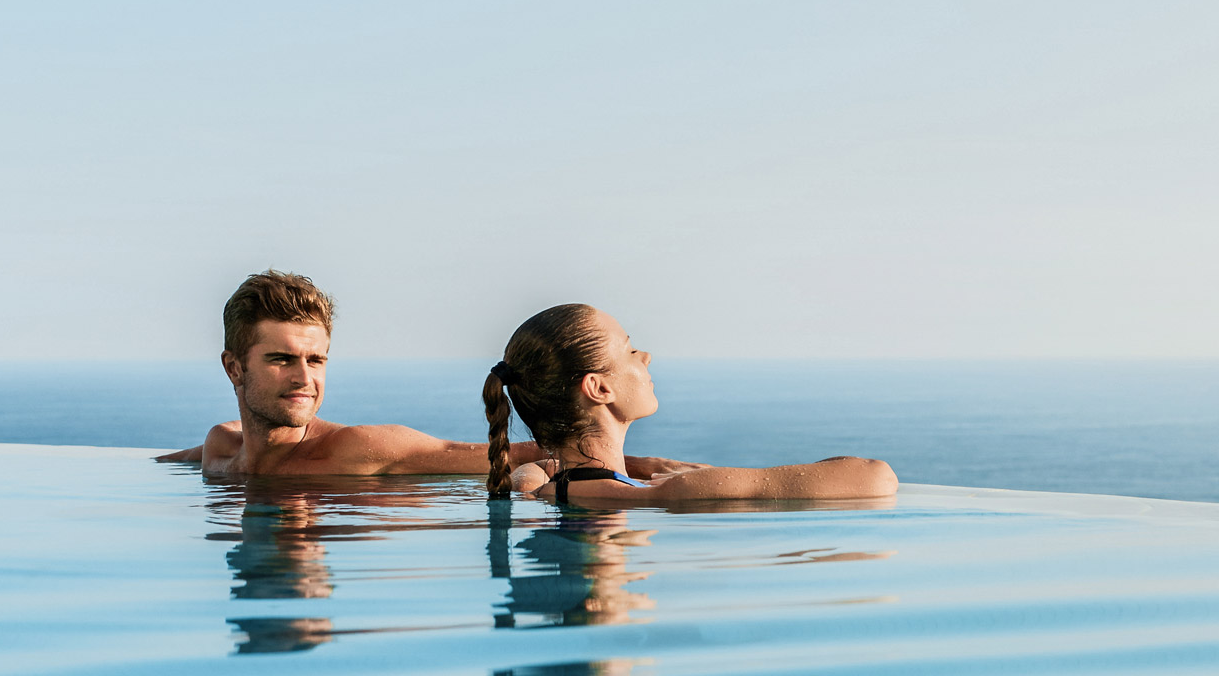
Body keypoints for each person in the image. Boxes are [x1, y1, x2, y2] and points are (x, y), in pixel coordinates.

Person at [157, 271, 702, 478]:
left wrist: (639, 464)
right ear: (234, 368)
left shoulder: (358, 450)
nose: (304, 377)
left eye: (316, 359)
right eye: (281, 359)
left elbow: (493, 455)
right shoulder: (218, 451)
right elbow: (192, 457)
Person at [484, 303, 898, 503]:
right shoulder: (671, 492)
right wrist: (682, 477)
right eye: (629, 351)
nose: (644, 357)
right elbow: (877, 478)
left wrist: (642, 466)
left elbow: (534, 470)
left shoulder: (544, 489)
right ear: (599, 389)